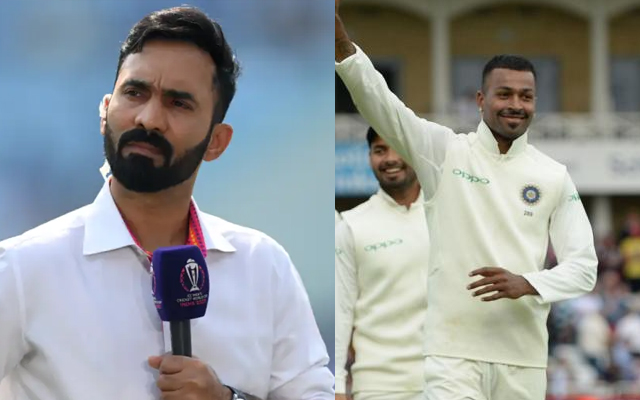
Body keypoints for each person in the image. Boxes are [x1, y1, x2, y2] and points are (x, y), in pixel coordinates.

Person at [0, 6, 334, 400]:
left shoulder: (263, 266)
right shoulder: (23, 269)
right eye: (135, 92)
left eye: (179, 103)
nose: (149, 118)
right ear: (105, 111)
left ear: (216, 142)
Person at [334, 1, 598, 398]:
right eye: (504, 93)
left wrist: (527, 282)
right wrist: (340, 43)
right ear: (480, 99)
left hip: (523, 359)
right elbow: (381, 103)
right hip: (451, 355)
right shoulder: (445, 153)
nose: (515, 104)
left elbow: (584, 268)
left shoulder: (552, 175)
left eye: (526, 96)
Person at [335, 127, 429, 400]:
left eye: (398, 148)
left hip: (447, 383)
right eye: (379, 150)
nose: (390, 158)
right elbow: (341, 312)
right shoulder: (351, 225)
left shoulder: (445, 213)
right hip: (378, 388)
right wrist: (338, 385)